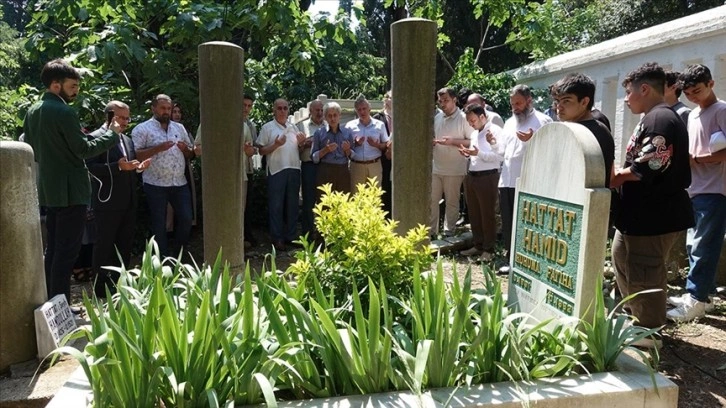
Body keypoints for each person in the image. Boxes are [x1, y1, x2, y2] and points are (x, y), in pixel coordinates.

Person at [23, 59, 122, 307]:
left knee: (53, 252)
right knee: (66, 254)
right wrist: (112, 134)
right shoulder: (64, 112)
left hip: (49, 190)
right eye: (73, 85)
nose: (76, 90)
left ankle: (51, 304)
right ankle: (62, 307)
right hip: (71, 192)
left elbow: (32, 149)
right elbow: (83, 149)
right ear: (56, 85)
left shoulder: (33, 111)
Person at [610, 62, 693, 339]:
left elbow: (650, 164)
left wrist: (618, 176)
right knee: (624, 260)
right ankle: (639, 322)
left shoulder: (661, 119)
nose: (626, 99)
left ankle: (648, 334)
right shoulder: (655, 117)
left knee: (644, 272)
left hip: (654, 216)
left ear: (644, 89)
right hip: (640, 216)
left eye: (628, 92)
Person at [667, 64, 726, 322]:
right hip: (694, 188)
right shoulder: (692, 115)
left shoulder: (722, 110)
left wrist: (699, 159)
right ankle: (706, 295)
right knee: (694, 245)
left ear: (711, 84)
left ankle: (695, 299)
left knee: (703, 245)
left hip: (716, 189)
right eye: (688, 93)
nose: (693, 96)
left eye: (698, 90)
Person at [87, 101, 150, 297]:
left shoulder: (127, 140)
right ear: (109, 116)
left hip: (128, 201)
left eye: (127, 118)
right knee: (104, 245)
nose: (124, 122)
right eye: (120, 117)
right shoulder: (95, 138)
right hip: (107, 202)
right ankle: (100, 289)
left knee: (124, 244)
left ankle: (119, 285)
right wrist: (118, 167)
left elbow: (127, 165)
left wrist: (138, 168)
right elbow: (90, 168)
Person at [497, 85, 553, 274]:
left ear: (529, 101)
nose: (515, 107)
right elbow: (503, 151)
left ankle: (527, 262)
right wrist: (492, 142)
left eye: (518, 103)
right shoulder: (509, 122)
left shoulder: (543, 121)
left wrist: (533, 138)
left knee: (525, 223)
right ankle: (510, 260)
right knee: (508, 222)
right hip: (506, 180)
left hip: (528, 180)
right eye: (512, 104)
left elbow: (550, 149)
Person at [132, 94, 195, 257]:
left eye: (169, 108)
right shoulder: (142, 129)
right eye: (162, 108)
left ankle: (179, 254)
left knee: (187, 219)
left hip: (179, 182)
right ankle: (162, 258)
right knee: (159, 223)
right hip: (155, 184)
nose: (166, 111)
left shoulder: (179, 128)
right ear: (153, 108)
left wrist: (186, 150)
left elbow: (190, 154)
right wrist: (158, 148)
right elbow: (136, 155)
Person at [256, 98, 306, 252]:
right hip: (277, 169)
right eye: (279, 108)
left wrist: (302, 143)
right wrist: (276, 145)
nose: (283, 111)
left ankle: (290, 236)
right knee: (276, 205)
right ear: (274, 110)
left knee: (292, 205)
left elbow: (300, 149)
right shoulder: (267, 128)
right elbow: (261, 150)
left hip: (294, 168)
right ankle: (277, 238)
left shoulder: (293, 127)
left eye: (285, 108)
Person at [550, 73, 615, 187]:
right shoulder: (570, 127)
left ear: (584, 102)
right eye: (557, 101)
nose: (559, 107)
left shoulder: (594, 132)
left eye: (566, 101)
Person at [458, 104, 503, 261]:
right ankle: (478, 245)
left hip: (488, 177)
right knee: (474, 214)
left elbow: (499, 157)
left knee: (487, 214)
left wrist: (479, 153)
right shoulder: (474, 134)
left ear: (482, 116)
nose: (471, 124)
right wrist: (468, 154)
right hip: (472, 175)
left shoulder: (495, 131)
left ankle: (488, 249)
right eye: (469, 121)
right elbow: (475, 154)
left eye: (473, 120)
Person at [431, 87, 474, 238]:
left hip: (455, 169)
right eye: (440, 101)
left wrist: (453, 142)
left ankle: (449, 233)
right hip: (436, 167)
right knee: (431, 201)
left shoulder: (463, 118)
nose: (442, 104)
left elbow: (472, 142)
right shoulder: (437, 117)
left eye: (446, 101)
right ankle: (431, 233)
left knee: (452, 202)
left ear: (454, 100)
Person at [345, 95, 389, 194]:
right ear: (356, 111)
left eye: (364, 108)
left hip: (374, 165)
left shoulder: (379, 125)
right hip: (356, 165)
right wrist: (355, 144)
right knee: (356, 197)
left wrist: (376, 145)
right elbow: (345, 147)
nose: (362, 112)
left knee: (375, 197)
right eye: (359, 109)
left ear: (369, 108)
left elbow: (386, 145)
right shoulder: (350, 126)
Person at [312, 101, 354, 196]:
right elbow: (314, 158)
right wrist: (325, 150)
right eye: (329, 116)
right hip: (325, 170)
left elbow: (353, 156)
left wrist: (347, 150)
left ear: (340, 116)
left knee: (343, 202)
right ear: (325, 117)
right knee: (325, 204)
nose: (333, 118)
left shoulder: (347, 133)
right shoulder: (319, 133)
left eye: (335, 115)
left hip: (343, 170)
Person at [297, 99, 326, 239]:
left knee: (324, 199)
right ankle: (307, 234)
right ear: (310, 111)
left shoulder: (328, 125)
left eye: (321, 110)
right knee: (308, 200)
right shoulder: (302, 126)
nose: (320, 113)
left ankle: (322, 234)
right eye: (317, 110)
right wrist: (304, 144)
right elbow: (296, 148)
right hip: (308, 165)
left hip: (324, 166)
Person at [373, 90, 393, 216]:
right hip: (382, 159)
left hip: (398, 159)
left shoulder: (402, 117)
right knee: (384, 187)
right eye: (391, 97)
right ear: (385, 99)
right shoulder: (377, 118)